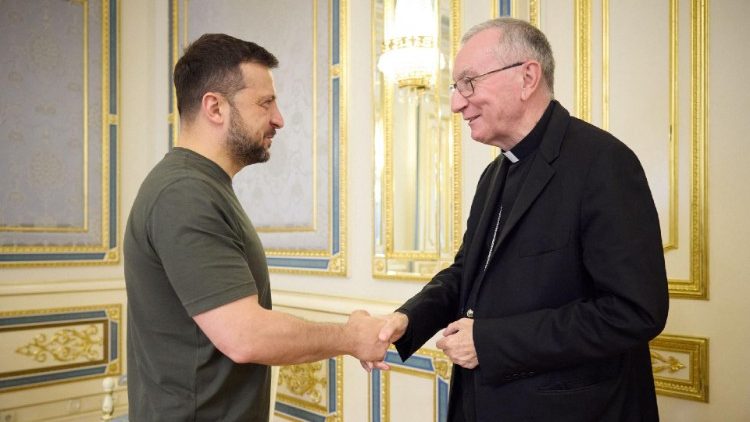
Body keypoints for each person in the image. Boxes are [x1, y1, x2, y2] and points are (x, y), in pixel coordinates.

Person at [368, 18, 669, 422]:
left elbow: (634, 311)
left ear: (527, 77)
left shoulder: (603, 162)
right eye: (456, 87)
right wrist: (406, 319)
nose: (456, 103)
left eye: (468, 82)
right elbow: (466, 273)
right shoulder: (494, 174)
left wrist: (491, 342)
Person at [124, 33, 388, 421]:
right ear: (215, 107)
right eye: (265, 103)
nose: (278, 119)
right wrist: (352, 338)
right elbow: (246, 336)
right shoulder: (184, 193)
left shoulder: (201, 186)